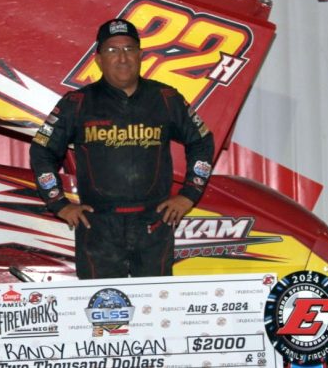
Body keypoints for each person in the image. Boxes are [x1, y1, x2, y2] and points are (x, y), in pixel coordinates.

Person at [29, 18, 214, 279]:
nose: (122, 58)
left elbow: (202, 142)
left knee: (156, 309)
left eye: (128, 49)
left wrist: (189, 194)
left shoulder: (166, 98)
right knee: (102, 313)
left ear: (140, 55)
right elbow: (42, 151)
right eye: (112, 50)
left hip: (154, 224)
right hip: (98, 227)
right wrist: (59, 204)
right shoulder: (77, 103)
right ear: (98, 59)